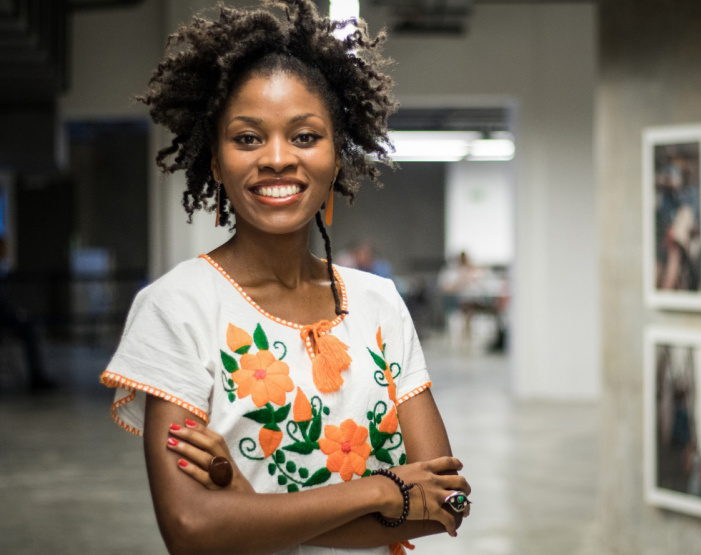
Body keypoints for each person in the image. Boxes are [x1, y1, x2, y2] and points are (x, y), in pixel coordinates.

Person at [99, 2, 470, 554]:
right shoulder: (178, 308)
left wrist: (247, 506)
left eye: (304, 136)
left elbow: (447, 506)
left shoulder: (379, 303)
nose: (276, 158)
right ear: (217, 162)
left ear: (337, 158)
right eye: (248, 138)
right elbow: (191, 529)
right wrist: (385, 491)